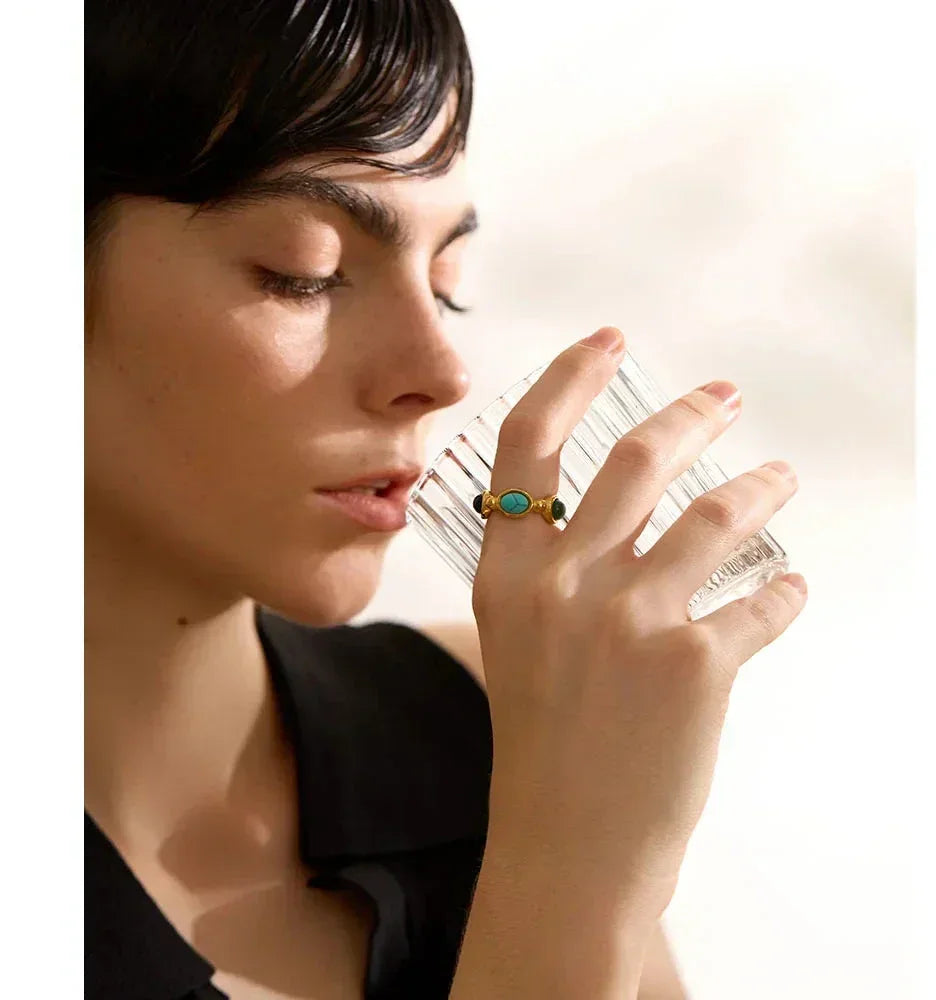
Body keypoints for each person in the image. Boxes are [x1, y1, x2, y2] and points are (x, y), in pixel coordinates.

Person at [85, 2, 807, 998]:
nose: (440, 370)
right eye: (307, 272)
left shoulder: (494, 716)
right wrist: (568, 870)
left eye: (449, 279)